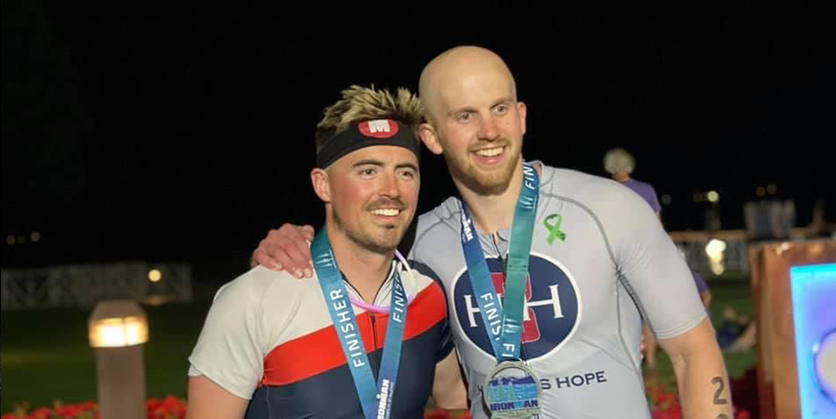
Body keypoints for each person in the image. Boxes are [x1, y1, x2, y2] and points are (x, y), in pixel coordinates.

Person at [254, 46, 733, 418]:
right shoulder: (417, 241)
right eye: (465, 116)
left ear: (521, 116)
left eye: (499, 109)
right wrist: (290, 242)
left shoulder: (611, 209)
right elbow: (448, 392)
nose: (489, 130)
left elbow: (693, 352)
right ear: (432, 136)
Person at [186, 85, 467, 419]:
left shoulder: (427, 292)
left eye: (405, 172)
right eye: (368, 171)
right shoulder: (252, 299)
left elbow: (457, 393)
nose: (391, 190)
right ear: (323, 184)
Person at [603, 147, 713, 368]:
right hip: (645, 253)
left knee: (621, 309)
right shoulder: (645, 189)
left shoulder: (606, 190)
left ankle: (627, 357)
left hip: (617, 253)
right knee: (646, 310)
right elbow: (657, 224)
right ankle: (650, 359)